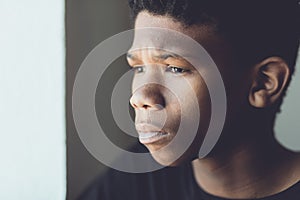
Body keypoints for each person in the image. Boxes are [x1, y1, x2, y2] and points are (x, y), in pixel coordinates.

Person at [78, 0, 300, 199]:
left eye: (175, 69)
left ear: (263, 83)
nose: (140, 97)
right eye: (139, 67)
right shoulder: (142, 178)